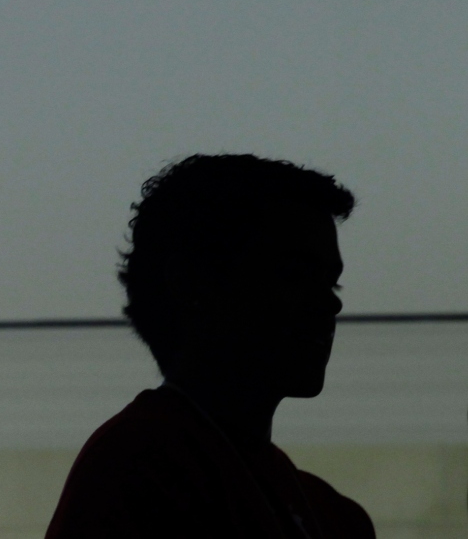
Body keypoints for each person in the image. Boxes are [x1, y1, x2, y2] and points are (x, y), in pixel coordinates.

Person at [46, 154, 376, 538]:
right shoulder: (138, 466)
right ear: (192, 284)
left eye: (331, 282)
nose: (330, 304)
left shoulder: (330, 514)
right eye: (294, 275)